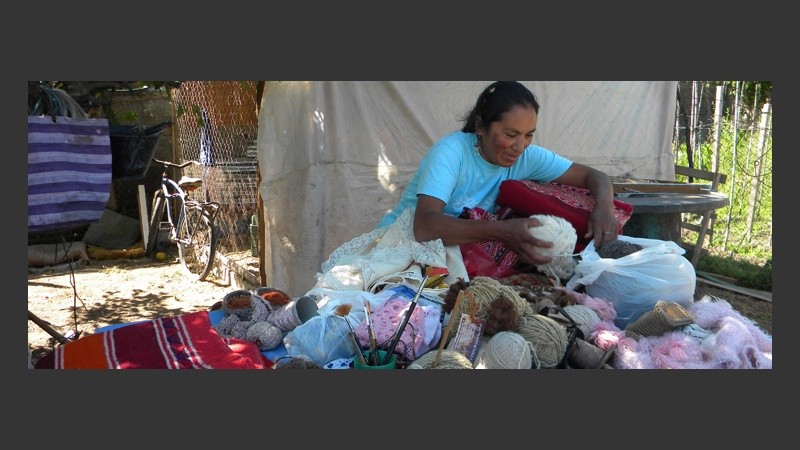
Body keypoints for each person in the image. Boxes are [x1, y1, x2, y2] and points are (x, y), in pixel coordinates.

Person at [376, 81, 619, 266]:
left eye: (528, 134)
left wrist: (604, 209)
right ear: (481, 126)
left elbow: (594, 176)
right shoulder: (450, 153)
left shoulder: (524, 156)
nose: (520, 146)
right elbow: (425, 227)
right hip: (397, 248)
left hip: (452, 255)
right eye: (510, 135)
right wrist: (501, 231)